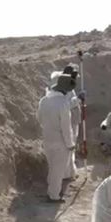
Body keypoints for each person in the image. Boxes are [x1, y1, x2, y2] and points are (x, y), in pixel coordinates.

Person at [38, 73, 75, 203]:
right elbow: (66, 126)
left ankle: (51, 191)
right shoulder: (63, 103)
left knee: (52, 167)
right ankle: (54, 195)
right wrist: (70, 143)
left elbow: (39, 119)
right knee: (58, 170)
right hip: (60, 141)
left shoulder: (43, 100)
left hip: (47, 139)